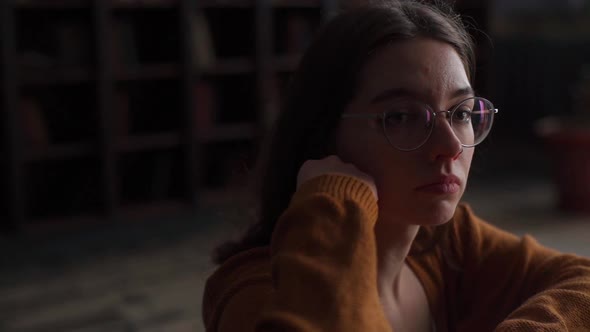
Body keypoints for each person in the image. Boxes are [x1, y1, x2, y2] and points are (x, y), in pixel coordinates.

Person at [201, 1, 590, 331]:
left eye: (461, 112)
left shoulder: (444, 245)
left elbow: (583, 282)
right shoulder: (256, 294)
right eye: (401, 117)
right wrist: (334, 202)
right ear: (324, 133)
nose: (450, 146)